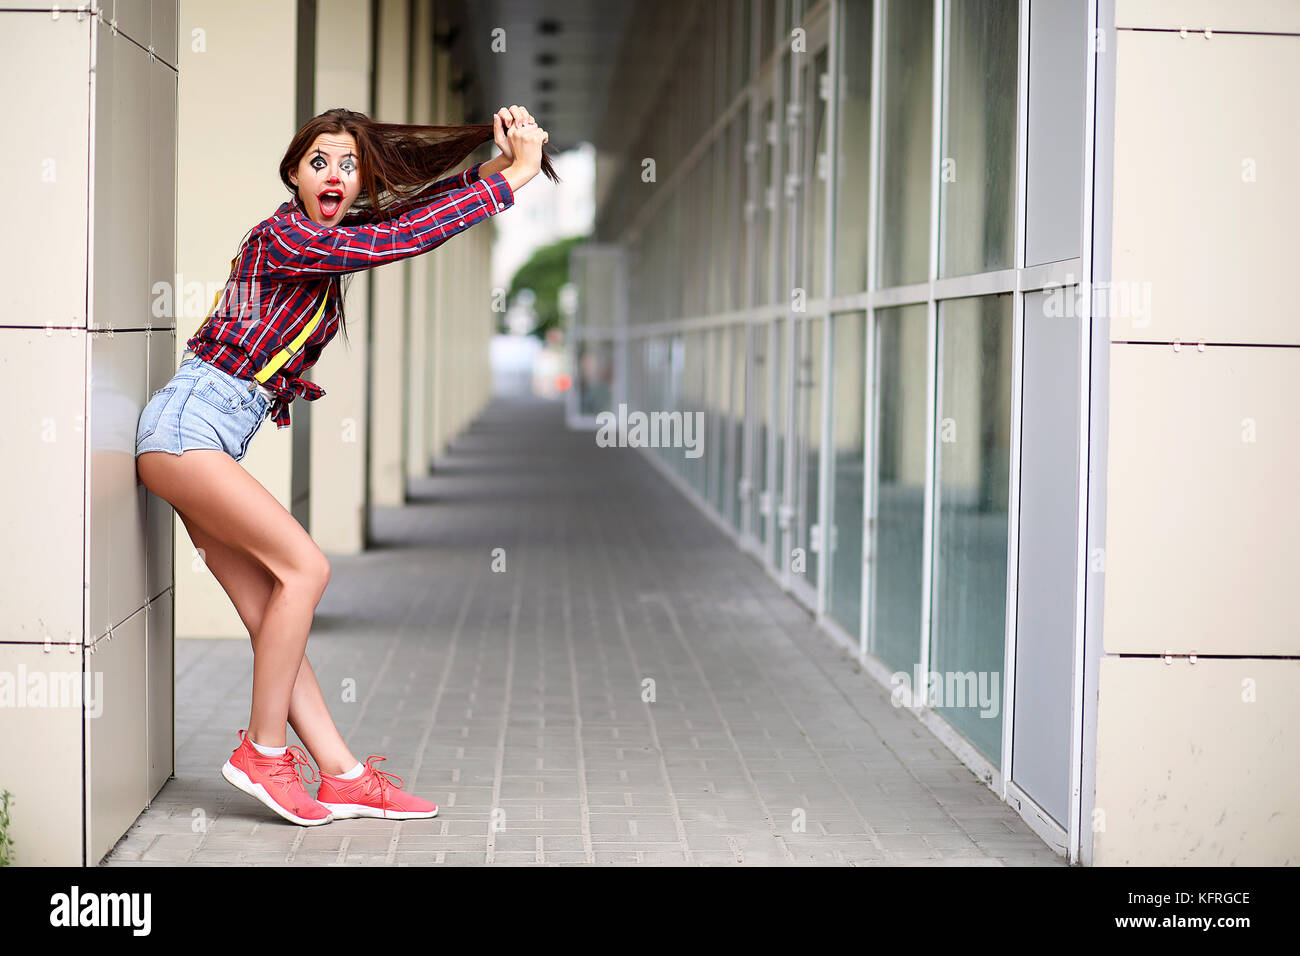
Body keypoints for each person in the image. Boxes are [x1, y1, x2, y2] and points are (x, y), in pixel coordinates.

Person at [135, 104, 552, 826]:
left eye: (351, 164)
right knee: (307, 569)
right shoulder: (285, 234)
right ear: (294, 174)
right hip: (185, 430)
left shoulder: (334, 234)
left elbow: (417, 213)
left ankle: (343, 773)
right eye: (320, 161)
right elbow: (404, 238)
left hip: (206, 437)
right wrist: (511, 181)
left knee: (272, 610)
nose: (335, 173)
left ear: (361, 183)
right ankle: (262, 754)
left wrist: (499, 159)